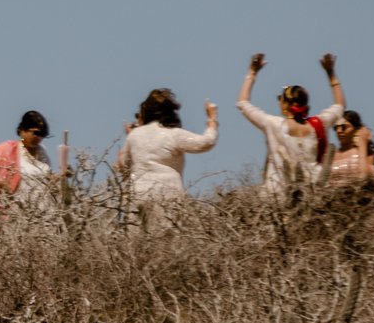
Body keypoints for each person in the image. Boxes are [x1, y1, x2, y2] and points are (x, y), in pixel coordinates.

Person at [115, 88, 219, 229]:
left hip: (137, 195)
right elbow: (207, 142)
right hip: (166, 195)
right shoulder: (173, 135)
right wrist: (212, 119)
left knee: (134, 248)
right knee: (165, 246)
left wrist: (130, 138)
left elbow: (123, 165)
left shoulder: (134, 135)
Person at [234, 54, 331, 198]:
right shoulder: (317, 125)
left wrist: (252, 73)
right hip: (313, 195)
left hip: (276, 195)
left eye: (280, 99)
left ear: (285, 104)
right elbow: (339, 106)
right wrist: (331, 73)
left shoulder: (273, 124)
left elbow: (242, 103)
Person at [0, 110, 65, 215]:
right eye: (35, 133)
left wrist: (61, 175)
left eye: (42, 134)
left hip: (43, 212)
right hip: (16, 213)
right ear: (23, 131)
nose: (38, 137)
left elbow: (47, 181)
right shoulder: (9, 149)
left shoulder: (43, 153)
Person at [319, 54, 374, 188]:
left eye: (344, 127)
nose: (339, 131)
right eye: (336, 128)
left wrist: (362, 143)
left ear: (357, 129)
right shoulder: (331, 155)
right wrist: (330, 73)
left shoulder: (366, 154)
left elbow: (363, 177)